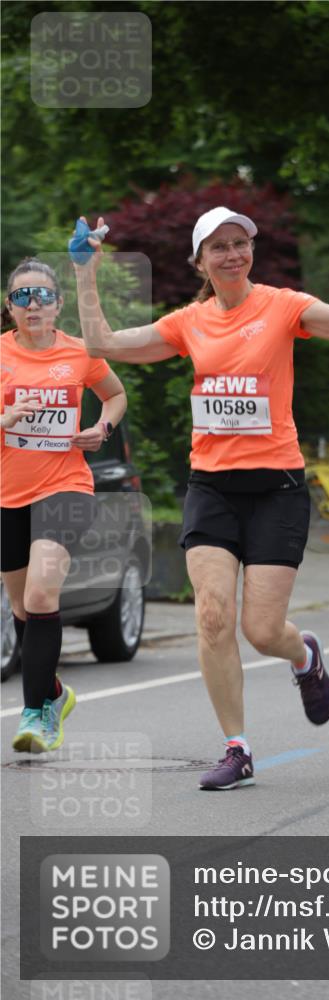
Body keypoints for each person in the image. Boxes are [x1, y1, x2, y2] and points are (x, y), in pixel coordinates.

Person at [73, 204, 329, 790]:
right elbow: (104, 343)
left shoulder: (283, 305)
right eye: (218, 246)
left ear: (251, 251)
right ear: (201, 260)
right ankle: (237, 748)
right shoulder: (187, 323)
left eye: (240, 242)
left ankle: (304, 657)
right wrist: (86, 273)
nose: (232, 254)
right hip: (212, 486)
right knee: (213, 617)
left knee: (262, 631)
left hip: (276, 488)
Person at [1, 258, 127, 752]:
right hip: (8, 493)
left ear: (57, 304)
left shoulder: (80, 352)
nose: (33, 305)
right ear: (9, 306)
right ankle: (53, 691)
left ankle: (36, 716)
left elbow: (114, 395)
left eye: (43, 296)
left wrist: (102, 428)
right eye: (23, 297)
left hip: (66, 485)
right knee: (20, 606)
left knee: (39, 596)